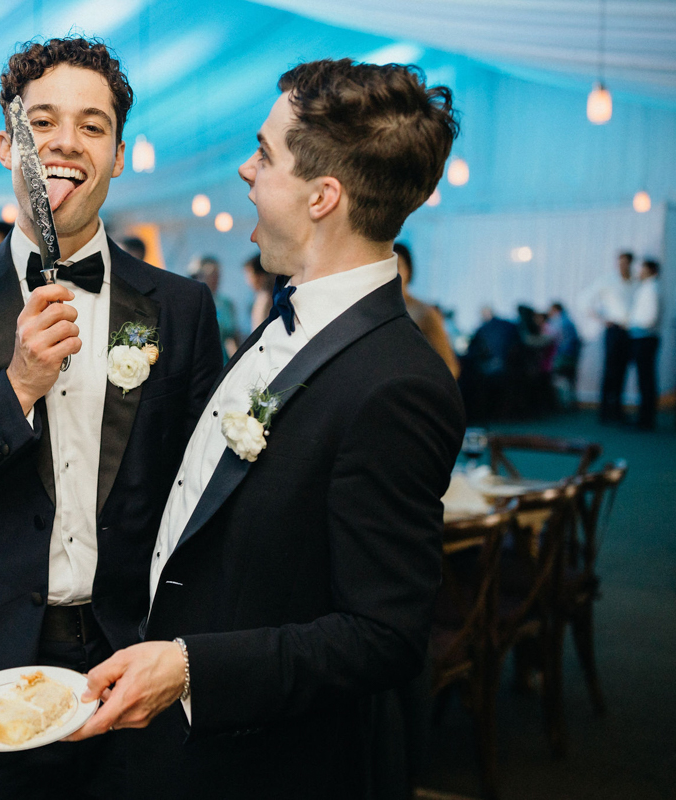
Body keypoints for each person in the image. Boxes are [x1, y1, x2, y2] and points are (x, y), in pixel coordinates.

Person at [69, 60, 465, 800]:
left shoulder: (397, 382)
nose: (247, 169)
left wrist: (190, 667)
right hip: (174, 738)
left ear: (323, 196)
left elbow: (384, 636)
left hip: (266, 761)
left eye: (265, 152)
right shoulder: (284, 323)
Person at [0, 36, 223, 799]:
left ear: (120, 154)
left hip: (131, 662)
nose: (67, 142)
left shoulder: (182, 308)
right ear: (8, 145)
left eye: (93, 126)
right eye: (43, 123)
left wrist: (189, 654)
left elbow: (209, 502)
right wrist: (18, 385)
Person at [394, 243, 459, 378]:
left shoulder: (425, 312)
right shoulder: (374, 310)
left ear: (408, 270)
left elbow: (449, 366)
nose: (392, 273)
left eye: (397, 266)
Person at [590, 251, 636, 424]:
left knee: (622, 371)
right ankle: (604, 411)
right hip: (614, 331)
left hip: (629, 332)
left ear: (630, 263)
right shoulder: (607, 281)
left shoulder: (635, 282)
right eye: (619, 262)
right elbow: (585, 301)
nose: (622, 266)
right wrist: (602, 319)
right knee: (610, 372)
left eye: (625, 263)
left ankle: (617, 410)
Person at [628, 259, 661, 430]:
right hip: (643, 338)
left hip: (645, 338)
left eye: (643, 269)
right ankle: (644, 417)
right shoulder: (647, 288)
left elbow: (650, 318)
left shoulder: (651, 289)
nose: (640, 271)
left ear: (651, 270)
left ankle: (645, 419)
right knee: (644, 379)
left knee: (646, 380)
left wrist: (633, 323)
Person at [187, 255, 240, 359]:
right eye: (211, 275)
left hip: (223, 361)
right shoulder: (192, 303)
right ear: (199, 276)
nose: (215, 279)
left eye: (217, 274)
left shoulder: (226, 303)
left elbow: (232, 337)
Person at [546, 301, 581, 409]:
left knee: (561, 379)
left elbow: (552, 338)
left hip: (563, 355)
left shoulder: (558, 322)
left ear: (555, 310)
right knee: (570, 380)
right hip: (572, 354)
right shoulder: (569, 321)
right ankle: (571, 403)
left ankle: (564, 404)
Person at [243, 252, 272, 329]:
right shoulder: (261, 296)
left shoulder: (265, 298)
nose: (248, 281)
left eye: (249, 276)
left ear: (261, 276)